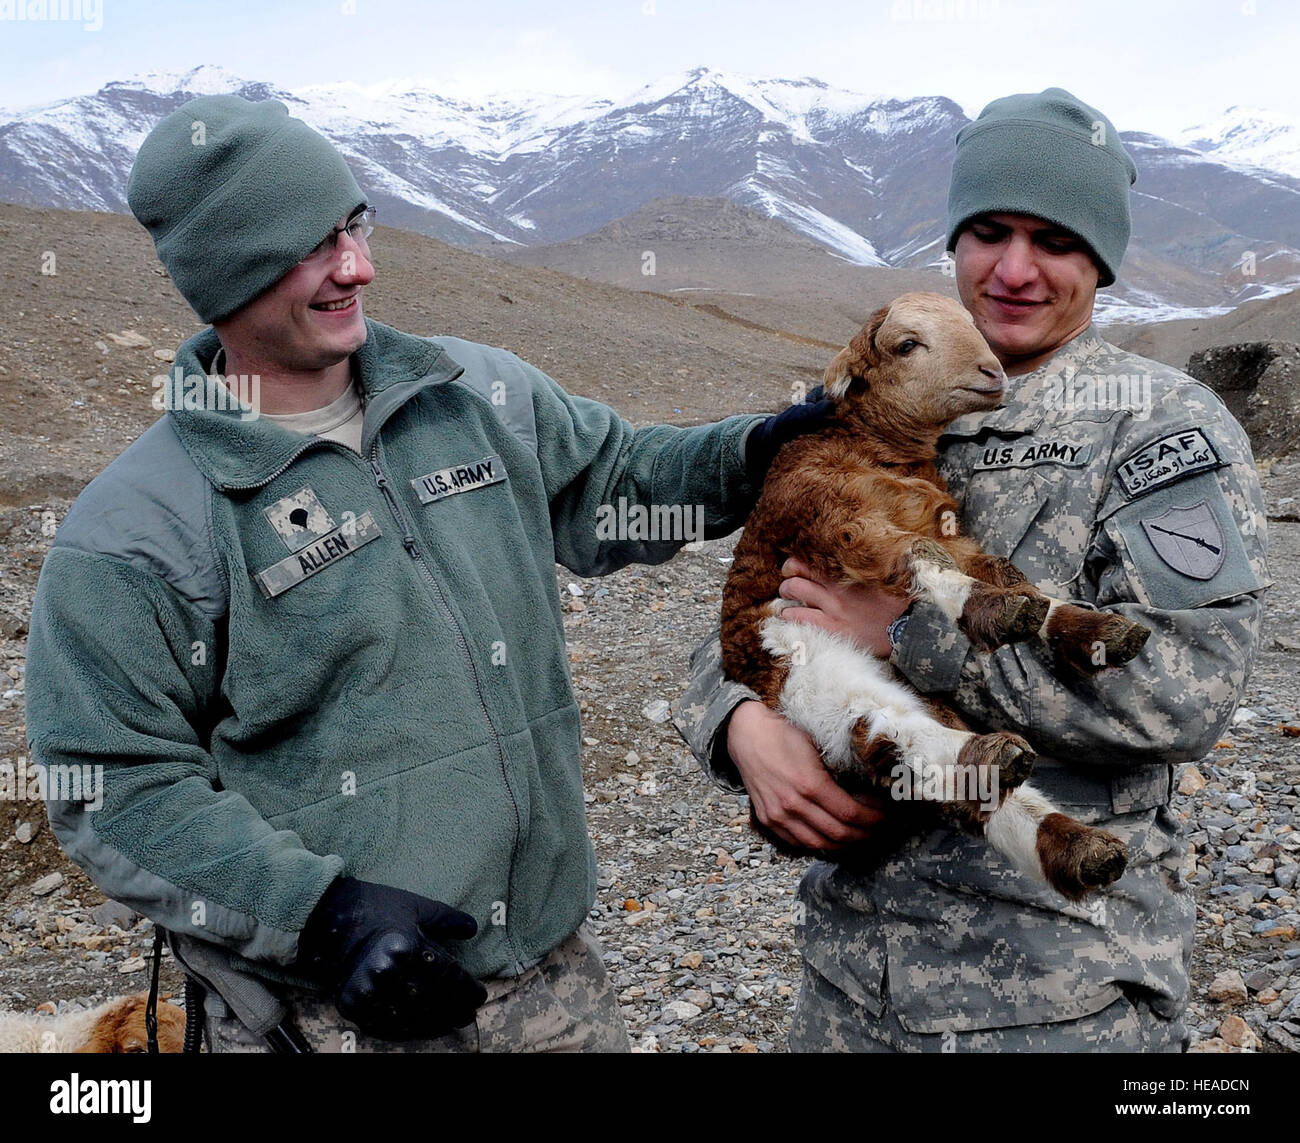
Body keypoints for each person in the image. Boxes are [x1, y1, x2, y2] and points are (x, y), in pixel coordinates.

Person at [23, 95, 828, 1053]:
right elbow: (114, 787)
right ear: (226, 271)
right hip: (327, 1019)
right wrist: (323, 916)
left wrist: (766, 451)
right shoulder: (138, 528)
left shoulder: (471, 395)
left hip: (552, 985)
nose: (358, 267)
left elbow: (617, 484)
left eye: (353, 227)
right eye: (310, 248)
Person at [673, 88, 1271, 1052]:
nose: (1016, 270)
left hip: (1053, 996)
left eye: (1058, 242)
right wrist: (736, 721)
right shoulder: (876, 403)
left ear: (1103, 262)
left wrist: (909, 639)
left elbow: (1185, 691)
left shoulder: (1162, 426)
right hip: (848, 986)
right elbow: (753, 590)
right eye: (989, 231)